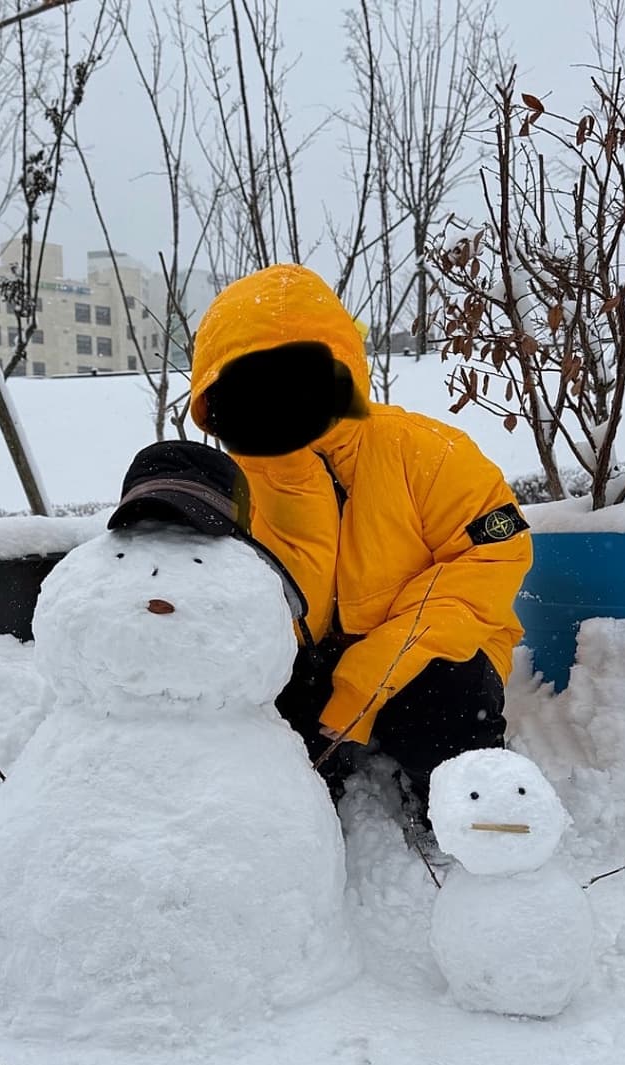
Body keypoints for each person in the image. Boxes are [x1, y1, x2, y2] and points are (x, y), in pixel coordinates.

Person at [187, 264, 533, 825]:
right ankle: (291, 828)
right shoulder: (232, 487)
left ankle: (473, 820)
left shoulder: (427, 452)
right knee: (267, 742)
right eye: (254, 385)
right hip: (307, 657)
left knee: (447, 709)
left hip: (432, 649)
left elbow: (492, 555)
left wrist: (371, 674)